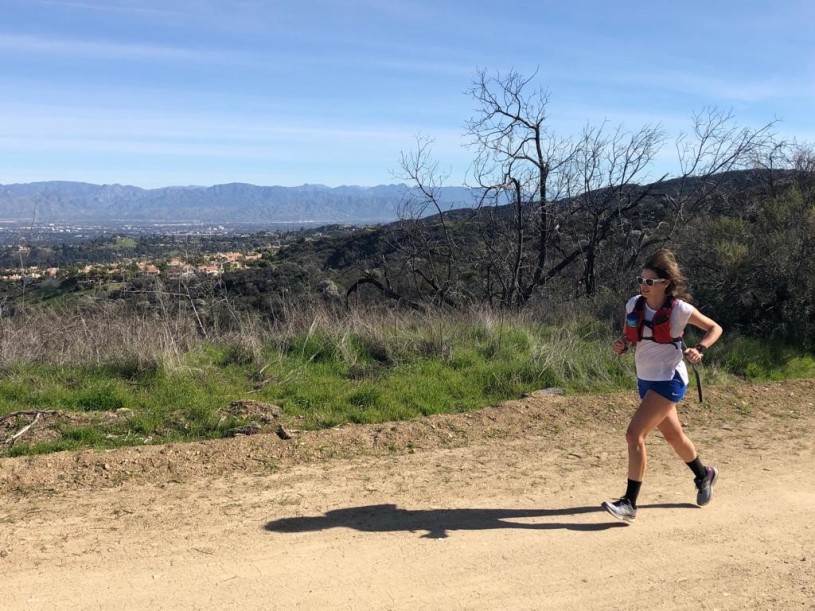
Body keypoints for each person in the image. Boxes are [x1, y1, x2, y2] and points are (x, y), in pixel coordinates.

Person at [602, 248, 723, 523]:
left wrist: (700, 348)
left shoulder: (680, 309)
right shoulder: (634, 304)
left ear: (666, 283)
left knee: (634, 435)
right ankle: (705, 475)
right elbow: (628, 336)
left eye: (649, 282)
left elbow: (715, 328)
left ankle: (629, 503)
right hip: (646, 379)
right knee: (674, 437)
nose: (643, 286)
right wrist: (621, 345)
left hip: (670, 379)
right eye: (641, 280)